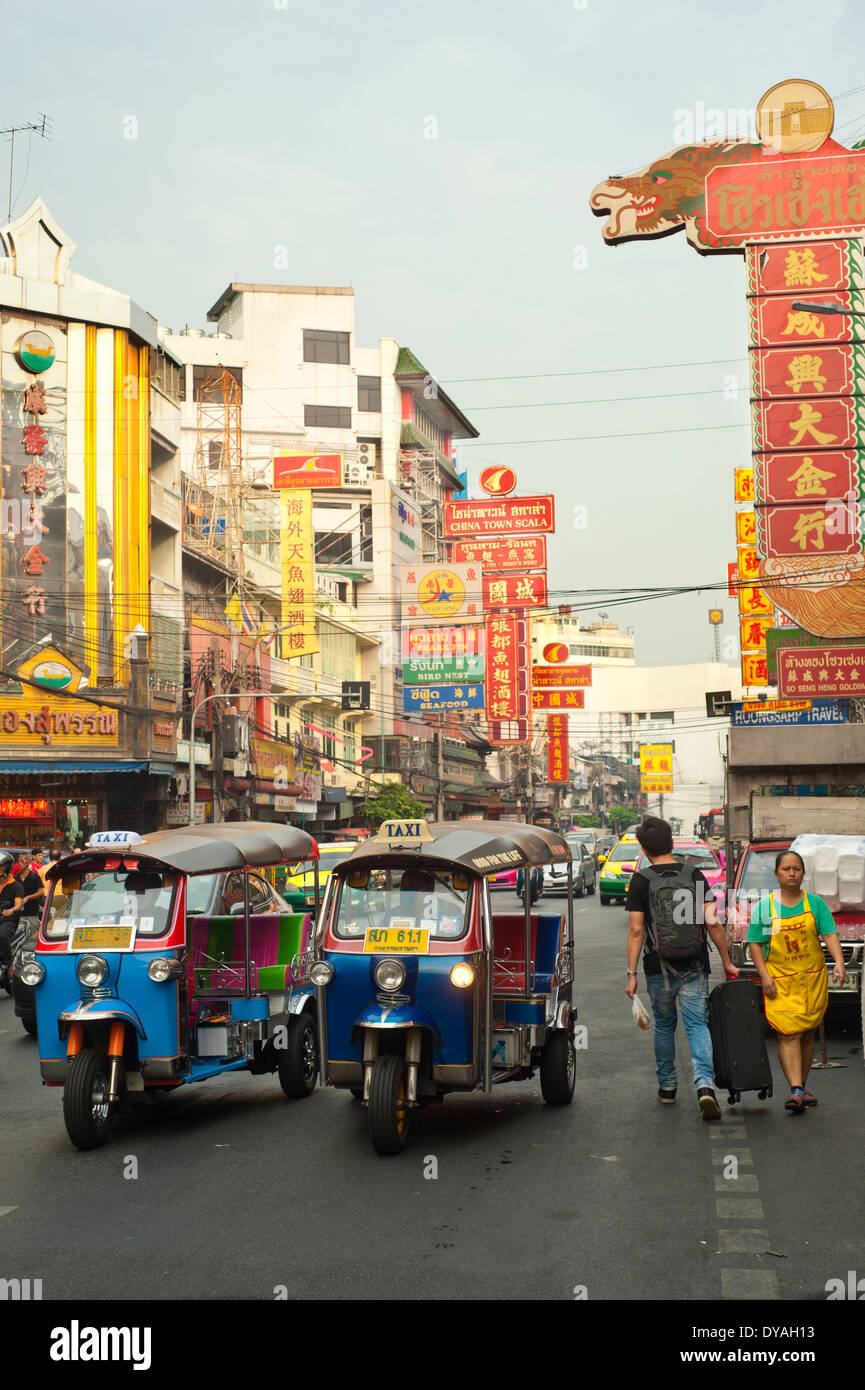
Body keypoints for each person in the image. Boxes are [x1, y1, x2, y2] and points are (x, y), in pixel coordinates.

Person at [625, 816, 739, 1120]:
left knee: (664, 1025)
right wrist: (726, 961)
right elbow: (712, 921)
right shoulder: (694, 875)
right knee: (697, 1025)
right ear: (672, 843)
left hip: (658, 967)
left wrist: (631, 974)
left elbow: (637, 931)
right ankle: (704, 1086)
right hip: (695, 964)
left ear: (644, 848)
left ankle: (668, 1087)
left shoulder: (641, 880)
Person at [747, 849, 845, 1114]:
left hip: (811, 979)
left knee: (807, 1032)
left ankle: (801, 1086)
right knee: (788, 1032)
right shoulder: (766, 907)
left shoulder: (815, 904)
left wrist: (838, 961)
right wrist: (764, 975)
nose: (792, 873)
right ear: (777, 874)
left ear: (803, 873)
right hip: (780, 982)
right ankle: (795, 1090)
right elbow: (755, 944)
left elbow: (830, 934)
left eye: (797, 869)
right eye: (786, 869)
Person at [14, 851, 45, 921]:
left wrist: (28, 898)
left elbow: (41, 892)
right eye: (18, 861)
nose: (19, 863)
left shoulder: (34, 876)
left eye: (22, 861)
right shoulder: (15, 878)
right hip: (18, 915)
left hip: (32, 914)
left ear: (28, 862)